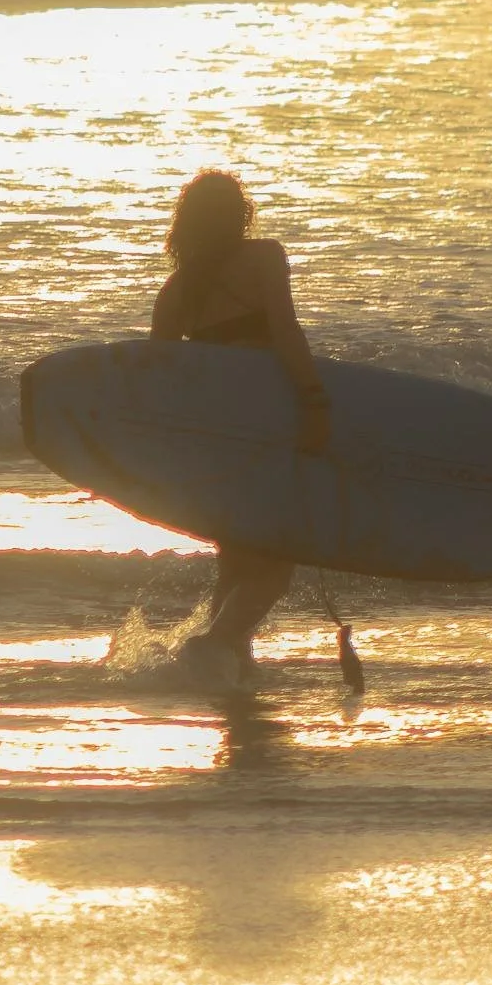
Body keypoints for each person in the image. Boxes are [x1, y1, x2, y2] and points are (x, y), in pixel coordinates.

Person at [151, 169, 334, 670]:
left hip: (215, 434)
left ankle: (232, 671)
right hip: (267, 419)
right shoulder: (264, 257)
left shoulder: (176, 292)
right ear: (240, 215)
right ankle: (214, 644)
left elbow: (157, 379)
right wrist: (315, 401)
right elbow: (285, 332)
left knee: (235, 559)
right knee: (277, 556)